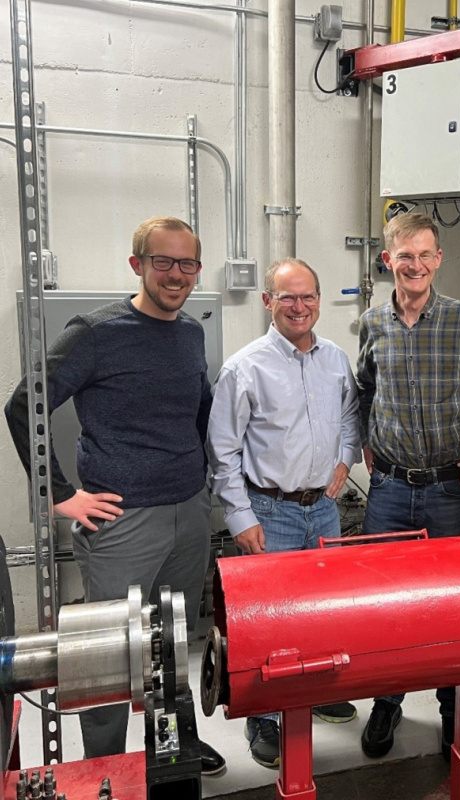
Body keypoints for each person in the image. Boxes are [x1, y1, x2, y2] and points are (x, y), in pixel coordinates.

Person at [4, 217, 225, 776]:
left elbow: (196, 408)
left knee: (173, 650)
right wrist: (59, 495)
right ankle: (102, 771)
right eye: (163, 262)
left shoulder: (191, 332)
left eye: (187, 264)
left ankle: (169, 753)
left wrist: (197, 474)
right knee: (106, 657)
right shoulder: (96, 333)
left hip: (188, 513)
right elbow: (23, 403)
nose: (176, 275)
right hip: (123, 524)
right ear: (138, 265)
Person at [356, 213, 460, 761]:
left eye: (426, 255)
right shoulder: (372, 323)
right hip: (390, 490)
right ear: (389, 262)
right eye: (406, 256)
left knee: (456, 607)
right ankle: (387, 702)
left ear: (439, 260)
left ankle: (454, 711)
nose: (416, 266)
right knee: (386, 607)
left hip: (449, 491)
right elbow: (362, 389)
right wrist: (365, 440)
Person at [207, 258, 361, 769]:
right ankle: (264, 718)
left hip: (323, 511)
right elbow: (223, 451)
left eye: (308, 297)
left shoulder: (336, 359)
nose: (299, 307)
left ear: (319, 300)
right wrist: (240, 518)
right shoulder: (244, 367)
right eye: (287, 297)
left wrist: (344, 459)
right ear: (268, 301)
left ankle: (312, 693)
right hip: (269, 512)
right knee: (267, 623)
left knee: (322, 614)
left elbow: (348, 415)